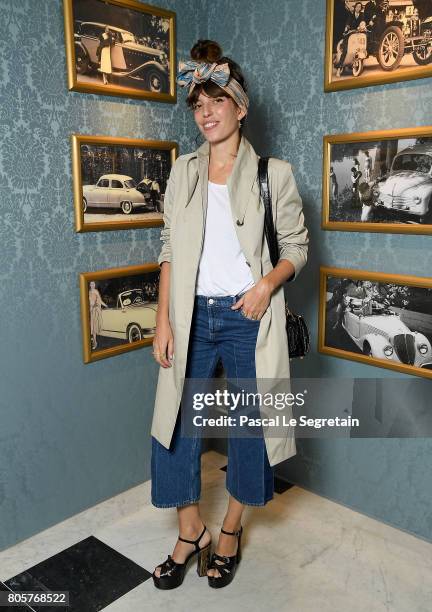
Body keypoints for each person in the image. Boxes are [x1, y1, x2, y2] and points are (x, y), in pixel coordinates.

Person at [150, 39, 309, 590]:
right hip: (191, 318)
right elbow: (169, 246)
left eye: (217, 100)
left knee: (251, 432)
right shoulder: (182, 171)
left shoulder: (273, 174)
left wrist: (267, 284)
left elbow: (296, 247)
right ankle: (189, 529)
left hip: (248, 317)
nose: (207, 112)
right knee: (173, 429)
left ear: (239, 107)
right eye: (198, 104)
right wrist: (163, 321)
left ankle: (230, 532)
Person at [334, 2, 365, 74]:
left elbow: (363, 22)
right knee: (345, 49)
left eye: (360, 7)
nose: (358, 8)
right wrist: (346, 28)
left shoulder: (361, 15)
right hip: (350, 32)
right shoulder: (351, 14)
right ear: (355, 8)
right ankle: (339, 67)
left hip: (358, 32)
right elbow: (348, 22)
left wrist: (362, 26)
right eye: (357, 7)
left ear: (361, 8)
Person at [88, 281, 108, 349]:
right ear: (90, 285)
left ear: (95, 285)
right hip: (89, 311)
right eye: (91, 284)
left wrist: (106, 305)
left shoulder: (96, 291)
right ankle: (93, 340)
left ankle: (95, 342)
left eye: (93, 284)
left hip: (95, 311)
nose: (92, 285)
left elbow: (100, 301)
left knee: (94, 328)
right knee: (89, 327)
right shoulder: (88, 292)